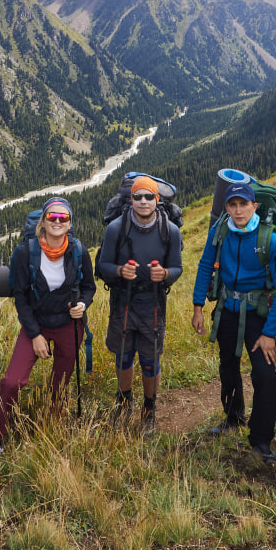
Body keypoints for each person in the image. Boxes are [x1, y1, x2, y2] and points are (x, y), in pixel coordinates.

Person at [0, 197, 96, 468]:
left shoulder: (79, 251)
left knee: (61, 383)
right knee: (12, 382)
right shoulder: (25, 253)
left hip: (69, 324)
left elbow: (89, 287)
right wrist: (34, 335)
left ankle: (54, 426)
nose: (57, 221)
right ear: (42, 222)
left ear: (70, 223)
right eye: (52, 217)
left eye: (63, 218)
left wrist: (82, 304)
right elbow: (21, 297)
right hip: (37, 325)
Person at [191, 181, 276, 464]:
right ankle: (233, 417)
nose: (238, 211)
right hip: (227, 309)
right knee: (227, 365)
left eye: (243, 204)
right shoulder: (220, 231)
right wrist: (198, 306)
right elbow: (205, 265)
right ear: (226, 207)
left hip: (258, 315)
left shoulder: (271, 240)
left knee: (265, 375)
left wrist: (269, 333)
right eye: (232, 205)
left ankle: (261, 439)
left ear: (254, 206)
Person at [96, 175, 183, 434]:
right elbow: (103, 265)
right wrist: (120, 271)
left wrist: (164, 274)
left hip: (153, 303)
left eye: (149, 196)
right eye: (137, 196)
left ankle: (149, 408)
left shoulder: (170, 231)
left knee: (149, 360)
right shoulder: (116, 229)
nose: (143, 201)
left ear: (157, 200)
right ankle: (124, 402)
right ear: (131, 199)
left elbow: (177, 267)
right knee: (123, 356)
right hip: (123, 302)